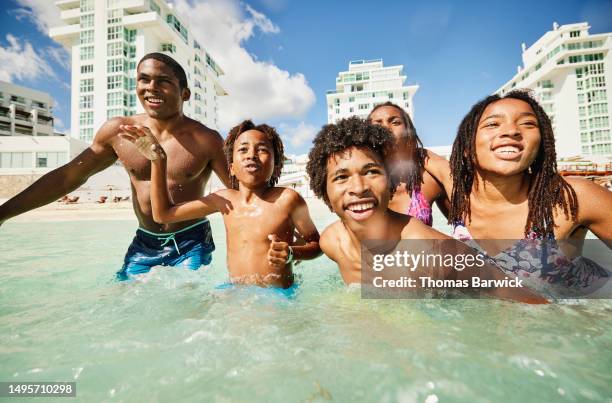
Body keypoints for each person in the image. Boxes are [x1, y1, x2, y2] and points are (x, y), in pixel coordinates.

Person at [0, 53, 231, 279]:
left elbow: (244, 194)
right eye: (144, 79)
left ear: (185, 93)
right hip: (145, 242)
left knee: (187, 307)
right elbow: (68, 177)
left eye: (163, 81)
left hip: (192, 241)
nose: (151, 87)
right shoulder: (119, 133)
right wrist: (3, 213)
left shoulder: (206, 140)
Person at [304, 117, 547, 304]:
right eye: (341, 177)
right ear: (324, 193)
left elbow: (525, 298)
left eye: (371, 171)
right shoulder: (331, 243)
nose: (358, 188)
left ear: (389, 183)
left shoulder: (430, 248)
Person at [428, 90, 611, 292]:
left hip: (588, 314)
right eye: (492, 124)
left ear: (541, 144)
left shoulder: (571, 197)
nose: (511, 131)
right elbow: (416, 153)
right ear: (466, 147)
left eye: (528, 124)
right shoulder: (457, 197)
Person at [119, 120, 321, 289]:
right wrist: (158, 161)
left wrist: (293, 252)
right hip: (234, 290)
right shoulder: (224, 200)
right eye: (243, 149)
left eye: (261, 150)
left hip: (278, 294)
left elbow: (317, 245)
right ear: (231, 167)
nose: (251, 154)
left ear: (276, 165)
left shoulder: (288, 199)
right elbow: (163, 215)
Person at [367, 102, 448, 225]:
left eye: (395, 122)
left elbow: (466, 227)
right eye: (378, 124)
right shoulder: (360, 182)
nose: (386, 128)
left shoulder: (427, 179)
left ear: (408, 131)